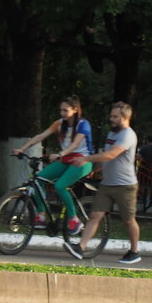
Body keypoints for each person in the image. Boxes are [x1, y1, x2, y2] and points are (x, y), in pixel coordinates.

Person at [67, 102, 141, 264]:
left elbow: (111, 155)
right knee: (95, 215)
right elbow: (104, 156)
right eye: (111, 116)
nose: (111, 119)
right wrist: (95, 169)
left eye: (115, 117)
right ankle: (81, 246)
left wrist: (85, 158)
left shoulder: (127, 135)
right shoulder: (112, 133)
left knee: (128, 220)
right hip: (107, 184)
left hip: (125, 186)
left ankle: (134, 252)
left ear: (125, 117)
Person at [12, 96, 94, 235]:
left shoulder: (83, 124)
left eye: (65, 110)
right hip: (66, 160)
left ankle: (74, 219)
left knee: (60, 186)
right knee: (37, 180)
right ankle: (41, 215)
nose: (62, 113)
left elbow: (75, 144)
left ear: (75, 110)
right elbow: (41, 136)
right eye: (60, 110)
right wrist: (23, 148)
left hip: (83, 161)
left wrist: (60, 154)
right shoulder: (59, 123)